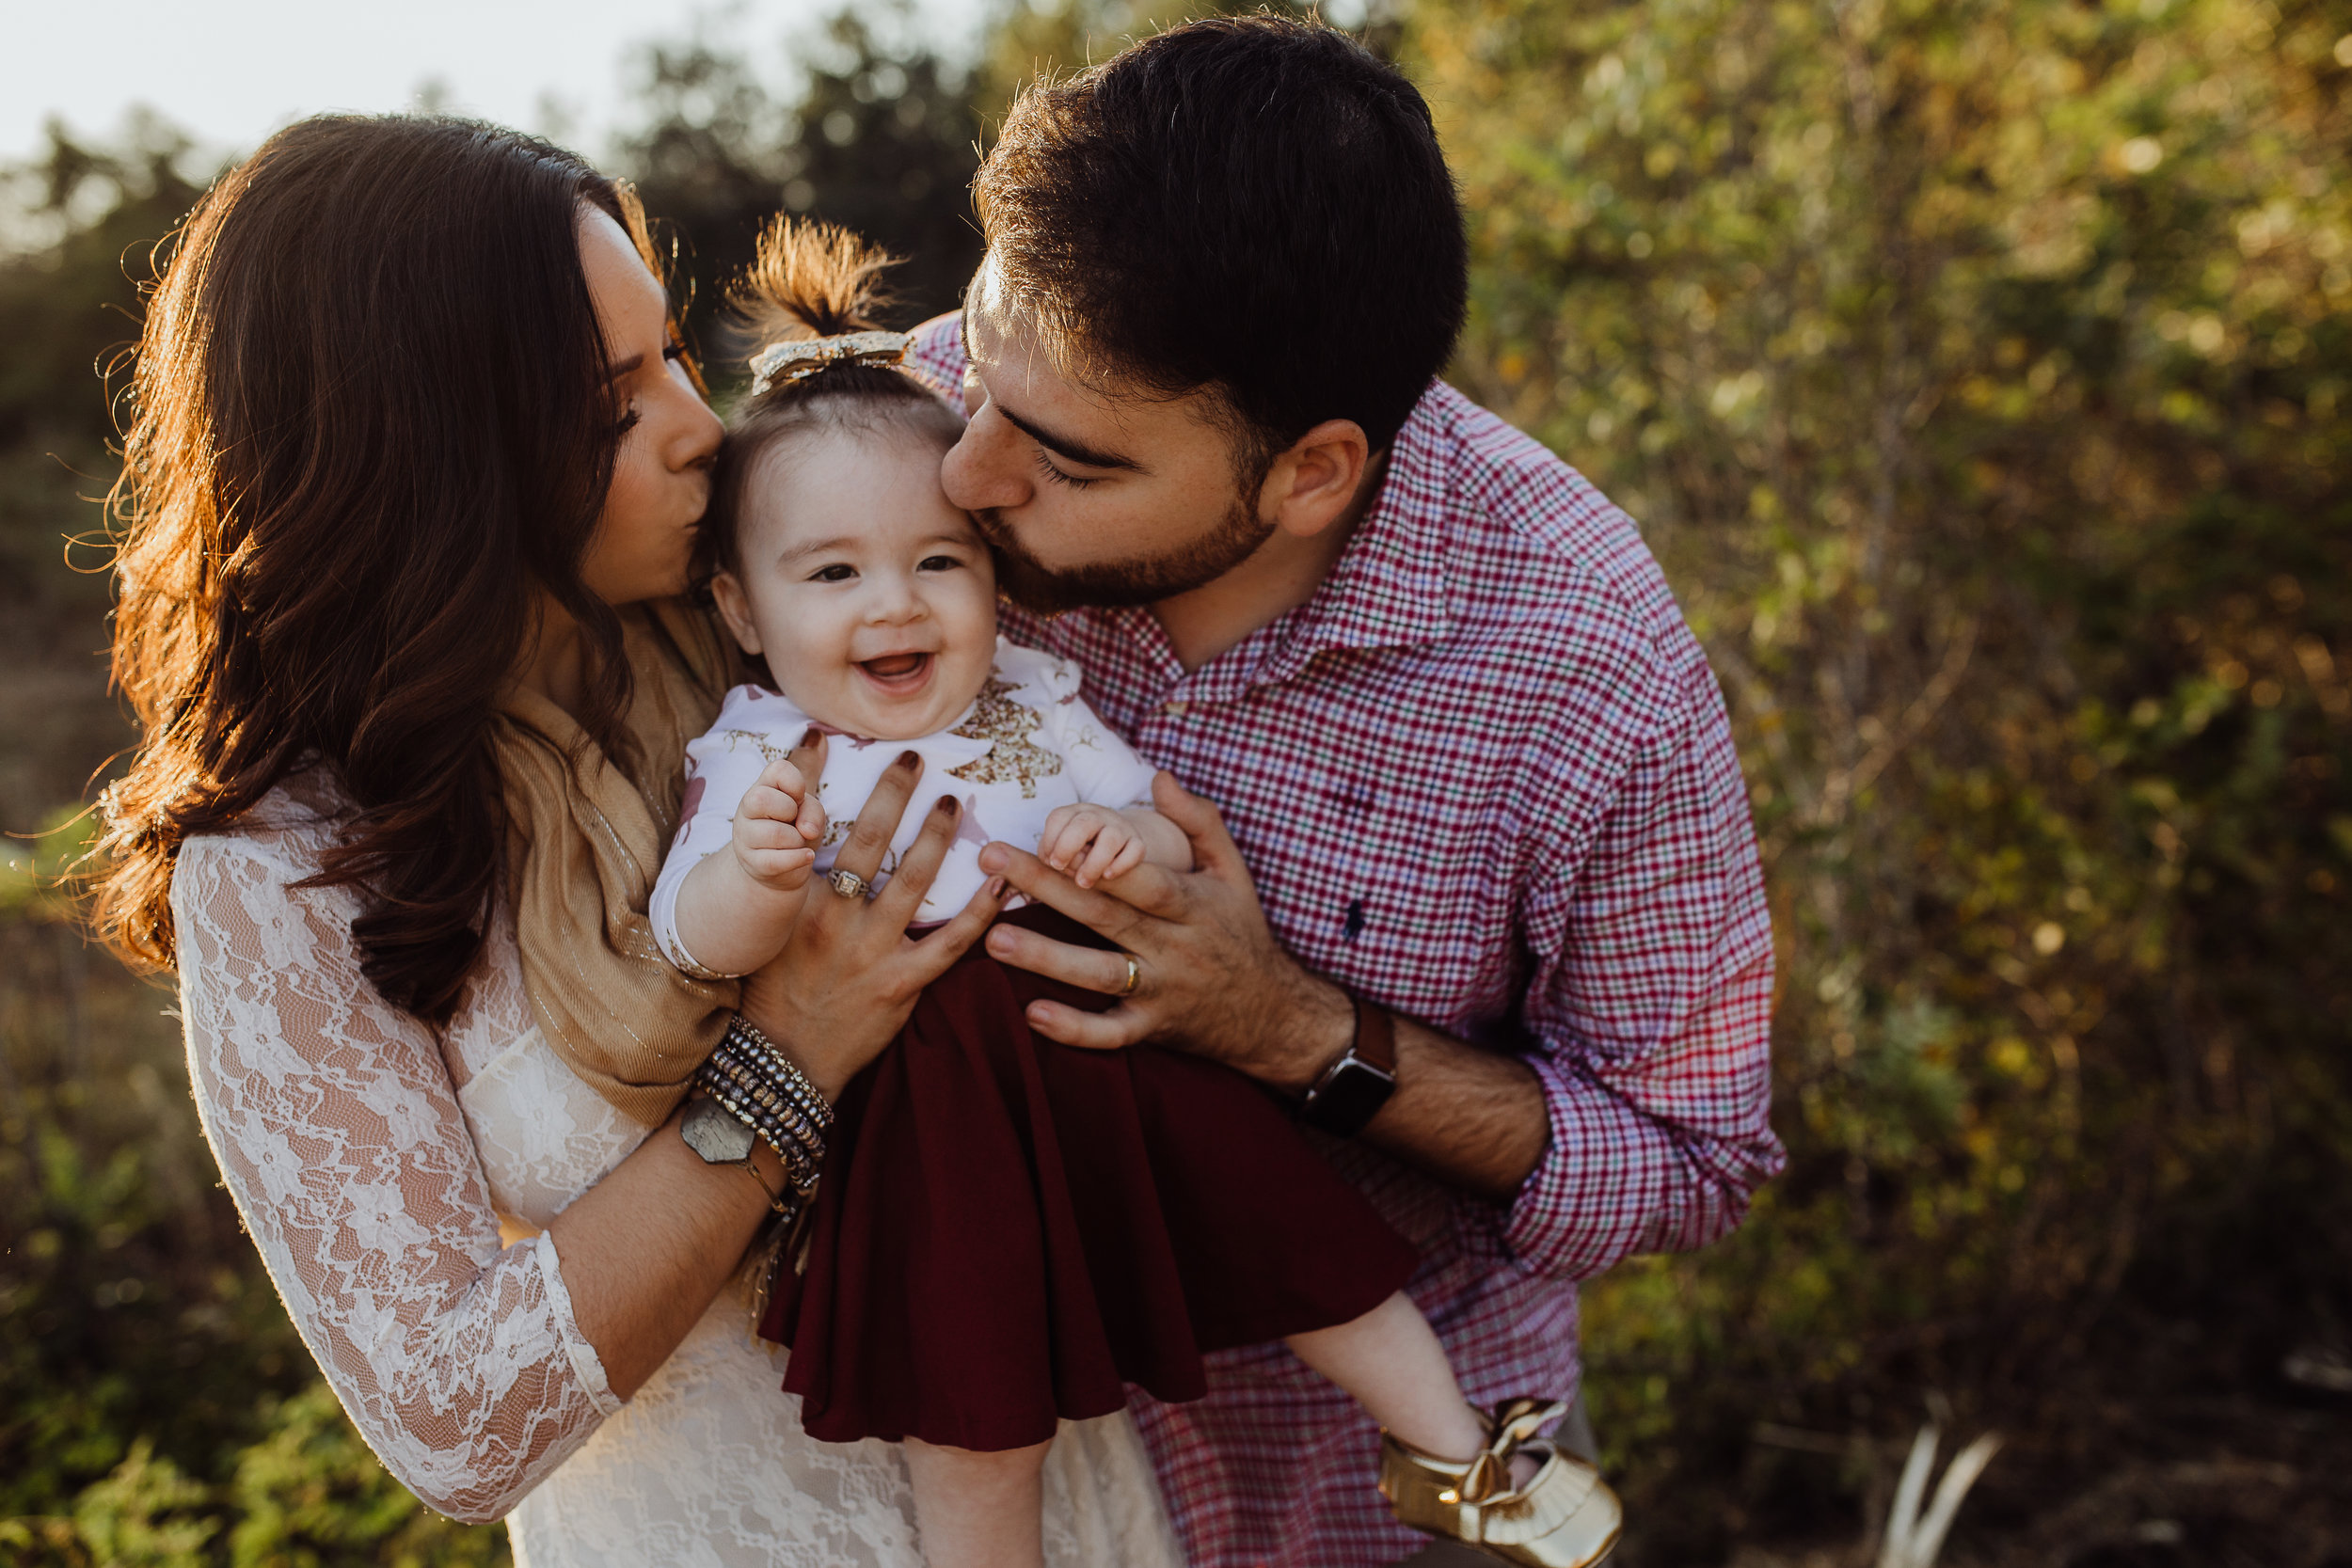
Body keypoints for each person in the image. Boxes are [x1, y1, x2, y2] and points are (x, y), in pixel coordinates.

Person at [90, 115, 1182, 1568]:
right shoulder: (284, 866)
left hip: (1069, 1512)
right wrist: (791, 1050)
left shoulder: (788, 618)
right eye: (613, 407)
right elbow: (454, 1423)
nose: (698, 426)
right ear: (430, 453)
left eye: (673, 355)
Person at [898, 15, 1785, 1566]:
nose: (966, 476)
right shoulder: (919, 430)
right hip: (994, 1455)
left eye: (1073, 465)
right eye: (975, 364)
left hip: (1378, 1491)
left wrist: (1300, 1032)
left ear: (1312, 472)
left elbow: (1692, 1160)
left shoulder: (1586, 667)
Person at [637, 219, 1621, 1568]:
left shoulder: (1030, 701)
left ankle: (1462, 1453)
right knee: (976, 1405)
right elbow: (690, 932)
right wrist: (756, 875)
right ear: (742, 612)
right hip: (930, 1115)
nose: (898, 606)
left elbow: (1160, 834)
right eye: (831, 574)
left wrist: (1122, 852)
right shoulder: (760, 753)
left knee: (1291, 1231)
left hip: (1102, 1033)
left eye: (941, 562)